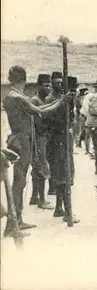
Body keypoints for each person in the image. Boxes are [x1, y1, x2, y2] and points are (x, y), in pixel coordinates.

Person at [3, 65, 68, 237]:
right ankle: (13, 224)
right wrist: (61, 101)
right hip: (22, 141)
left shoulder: (11, 95)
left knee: (21, 181)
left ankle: (17, 220)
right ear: (24, 80)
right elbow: (40, 112)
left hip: (19, 139)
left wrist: (58, 100)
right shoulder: (18, 97)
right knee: (20, 182)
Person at [45, 73, 79, 223]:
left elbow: (70, 118)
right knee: (63, 176)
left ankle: (59, 208)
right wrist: (64, 103)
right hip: (57, 140)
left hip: (64, 139)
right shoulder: (50, 100)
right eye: (56, 83)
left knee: (64, 175)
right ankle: (67, 211)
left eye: (61, 83)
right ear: (52, 84)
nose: (59, 85)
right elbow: (54, 121)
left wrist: (70, 103)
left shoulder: (64, 99)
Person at [29, 74, 53, 209]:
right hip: (37, 138)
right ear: (38, 86)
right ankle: (42, 200)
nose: (48, 88)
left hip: (43, 138)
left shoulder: (44, 100)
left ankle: (34, 197)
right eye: (45, 85)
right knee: (42, 168)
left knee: (37, 168)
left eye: (49, 85)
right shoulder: (35, 101)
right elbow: (38, 123)